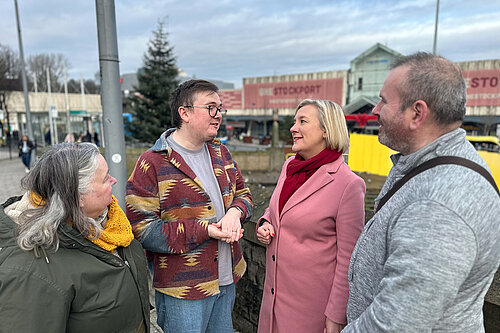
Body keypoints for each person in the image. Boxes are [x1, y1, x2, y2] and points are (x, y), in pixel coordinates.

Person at [344, 52, 500, 332]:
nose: (375, 110)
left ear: (417, 113)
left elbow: (393, 325)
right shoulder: (424, 160)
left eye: (384, 100)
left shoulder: (440, 206)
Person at [126, 79, 253, 333]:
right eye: (210, 108)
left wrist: (235, 212)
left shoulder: (221, 153)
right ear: (184, 113)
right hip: (183, 291)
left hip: (227, 280)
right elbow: (142, 229)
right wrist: (205, 230)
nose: (218, 116)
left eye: (220, 108)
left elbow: (245, 194)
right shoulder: (152, 163)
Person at [0, 142, 151, 332]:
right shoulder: (30, 272)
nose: (114, 180)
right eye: (105, 179)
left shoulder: (109, 222)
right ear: (77, 196)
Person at [256, 99, 366, 333]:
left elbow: (349, 260)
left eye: (302, 121)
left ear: (327, 130)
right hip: (272, 302)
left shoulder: (348, 185)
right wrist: (265, 222)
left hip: (310, 312)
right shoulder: (290, 168)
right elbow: (277, 210)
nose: (293, 128)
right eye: (294, 121)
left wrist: (336, 317)